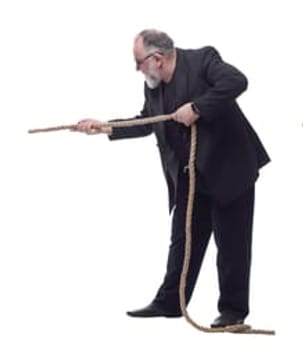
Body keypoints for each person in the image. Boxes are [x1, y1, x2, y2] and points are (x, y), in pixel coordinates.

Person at [76, 29, 271, 329]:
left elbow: (237, 81)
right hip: (190, 176)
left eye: (138, 62)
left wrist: (196, 108)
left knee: (231, 244)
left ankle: (233, 311)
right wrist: (105, 127)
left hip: (229, 169)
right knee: (182, 239)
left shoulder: (203, 60)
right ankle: (170, 303)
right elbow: (146, 121)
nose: (136, 69)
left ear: (157, 58)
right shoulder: (153, 86)